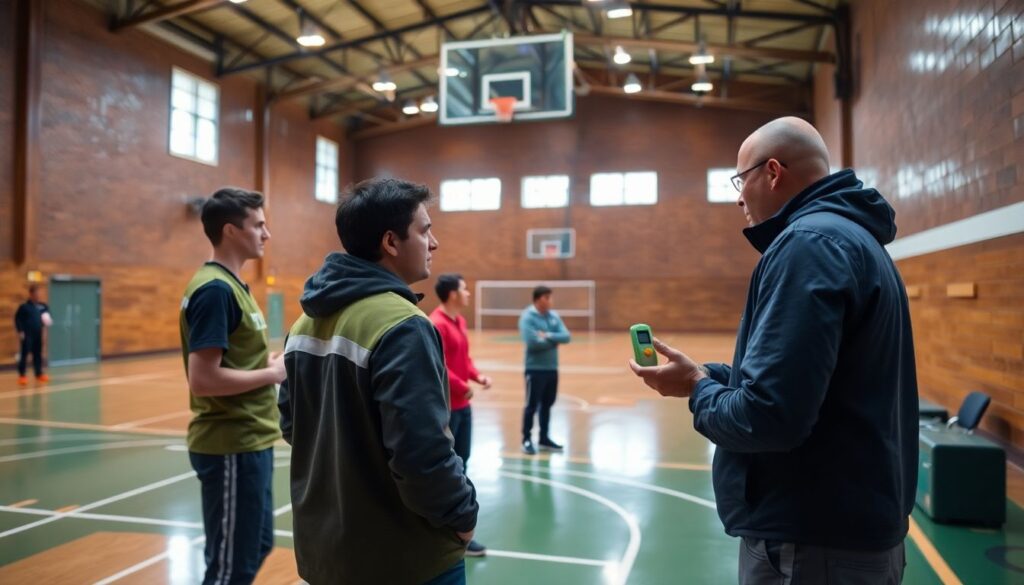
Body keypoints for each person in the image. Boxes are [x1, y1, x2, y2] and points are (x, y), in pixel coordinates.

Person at [630, 117, 916, 585]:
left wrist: (699, 390)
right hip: (852, 533)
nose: (739, 197)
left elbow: (768, 416)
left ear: (774, 172)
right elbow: (817, 381)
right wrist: (709, 374)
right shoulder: (856, 240)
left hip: (812, 542)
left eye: (741, 180)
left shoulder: (808, 246)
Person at [278, 178, 478, 585]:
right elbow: (422, 454)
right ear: (391, 241)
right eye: (425, 230)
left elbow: (290, 424)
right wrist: (463, 516)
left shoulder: (303, 323)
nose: (434, 242)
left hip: (326, 554)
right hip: (404, 560)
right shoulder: (404, 325)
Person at [179, 187, 286, 584]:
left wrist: (266, 365)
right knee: (229, 568)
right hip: (230, 445)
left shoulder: (234, 286)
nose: (266, 233)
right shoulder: (214, 290)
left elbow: (232, 362)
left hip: (252, 440)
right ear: (230, 231)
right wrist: (270, 375)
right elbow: (203, 379)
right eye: (258, 225)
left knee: (256, 547)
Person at [429, 273, 492, 557]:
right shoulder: (436, 324)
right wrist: (459, 385)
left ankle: (453, 521)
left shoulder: (460, 322)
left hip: (464, 407)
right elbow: (439, 364)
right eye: (465, 289)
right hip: (446, 407)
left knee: (463, 461)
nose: (468, 293)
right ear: (453, 294)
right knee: (449, 469)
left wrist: (477, 376)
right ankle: (447, 528)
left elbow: (463, 359)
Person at [518, 285, 571, 455]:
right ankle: (526, 439)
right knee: (531, 406)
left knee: (547, 405)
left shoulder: (553, 316)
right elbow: (533, 343)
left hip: (551, 369)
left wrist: (547, 335)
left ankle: (544, 438)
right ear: (539, 299)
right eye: (547, 298)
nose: (550, 301)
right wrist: (554, 341)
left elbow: (566, 336)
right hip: (534, 370)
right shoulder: (528, 317)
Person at [14, 284, 52, 386]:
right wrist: (20, 331)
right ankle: (22, 375)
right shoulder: (24, 307)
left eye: (39, 293)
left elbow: (47, 320)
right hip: (27, 334)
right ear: (31, 294)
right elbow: (18, 319)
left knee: (38, 354)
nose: (38, 295)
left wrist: (46, 325)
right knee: (24, 354)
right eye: (36, 293)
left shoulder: (43, 306)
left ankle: (38, 373)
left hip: (38, 334)